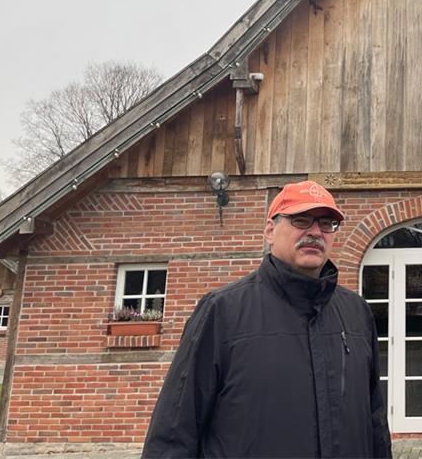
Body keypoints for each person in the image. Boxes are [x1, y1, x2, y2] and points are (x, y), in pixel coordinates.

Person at [142, 180, 391, 458]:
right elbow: (174, 432)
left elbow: (375, 421)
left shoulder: (356, 312)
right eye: (301, 220)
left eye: (326, 223)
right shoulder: (222, 311)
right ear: (270, 231)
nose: (315, 232)